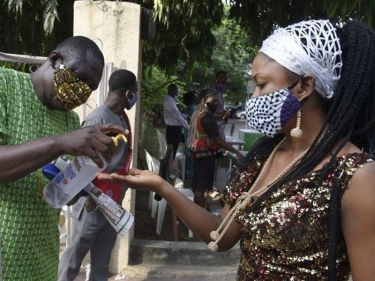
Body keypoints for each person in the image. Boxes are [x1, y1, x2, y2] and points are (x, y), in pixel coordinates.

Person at [97, 19, 375, 280]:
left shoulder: (354, 176)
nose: (253, 98)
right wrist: (162, 187)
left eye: (261, 85)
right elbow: (221, 234)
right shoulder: (263, 160)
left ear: (304, 86)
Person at [0, 36, 126, 281]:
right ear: (55, 60)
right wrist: (60, 143)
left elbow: (60, 197)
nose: (81, 93)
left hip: (41, 260)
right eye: (78, 79)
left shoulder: (69, 120)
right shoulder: (5, 86)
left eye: (89, 88)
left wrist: (82, 177)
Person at [57, 69, 137, 281]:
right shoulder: (98, 119)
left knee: (102, 259)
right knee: (75, 254)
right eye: (135, 93)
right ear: (129, 93)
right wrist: (91, 194)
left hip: (112, 200)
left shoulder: (121, 117)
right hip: (94, 199)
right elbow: (81, 162)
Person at [188, 89, 244, 208]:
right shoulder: (206, 117)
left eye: (217, 101)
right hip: (205, 154)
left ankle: (198, 210)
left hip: (200, 153)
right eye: (213, 101)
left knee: (199, 183)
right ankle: (200, 213)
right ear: (204, 101)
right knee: (201, 186)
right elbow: (217, 139)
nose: (216, 104)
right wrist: (236, 152)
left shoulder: (200, 113)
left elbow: (218, 118)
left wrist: (225, 116)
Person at [163, 83, 190, 159]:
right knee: (171, 152)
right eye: (177, 90)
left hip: (176, 129)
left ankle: (170, 166)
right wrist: (188, 127)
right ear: (173, 90)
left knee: (173, 151)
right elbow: (177, 116)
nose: (178, 92)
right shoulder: (168, 101)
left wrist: (187, 117)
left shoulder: (171, 100)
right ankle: (168, 169)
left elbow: (178, 114)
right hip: (172, 130)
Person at [211, 70, 229, 157]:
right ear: (216, 79)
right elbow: (208, 114)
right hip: (213, 129)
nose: (223, 80)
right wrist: (224, 115)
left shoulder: (219, 93)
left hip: (220, 128)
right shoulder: (213, 92)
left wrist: (225, 114)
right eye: (221, 77)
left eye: (225, 78)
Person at [182, 90, 199, 178]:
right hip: (191, 132)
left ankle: (187, 171)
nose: (197, 97)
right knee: (190, 151)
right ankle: (188, 173)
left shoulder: (191, 108)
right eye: (195, 96)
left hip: (189, 131)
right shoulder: (191, 109)